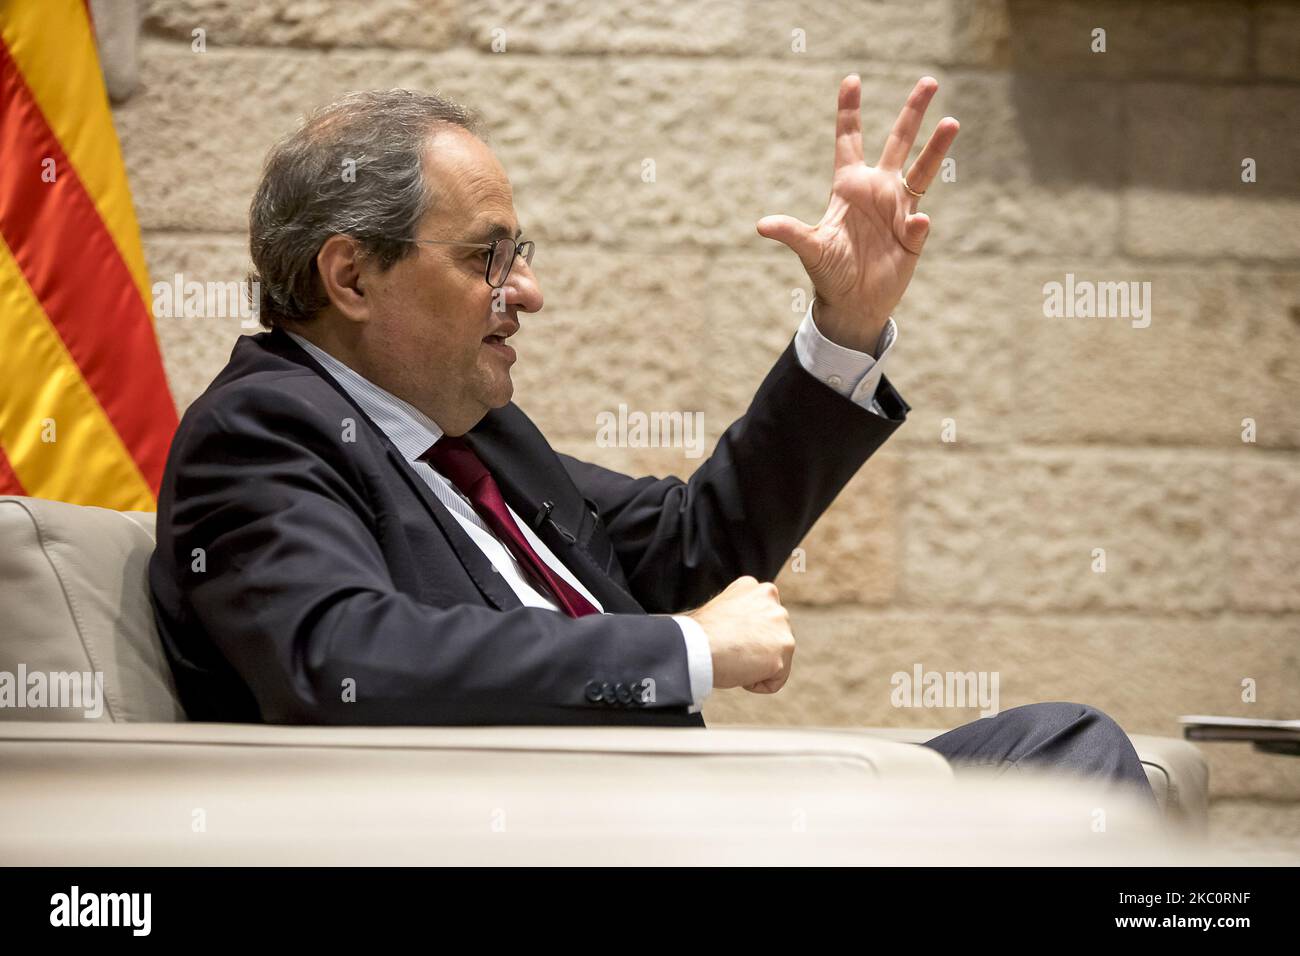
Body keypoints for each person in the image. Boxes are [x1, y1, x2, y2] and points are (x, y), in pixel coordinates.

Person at [148, 74, 1154, 803]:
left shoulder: (477, 433)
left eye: (521, 255)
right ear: (350, 277)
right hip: (560, 842)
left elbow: (690, 539)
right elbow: (345, 658)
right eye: (486, 258)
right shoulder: (259, 434)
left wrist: (842, 329)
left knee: (1058, 757)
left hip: (683, 815)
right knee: (1066, 764)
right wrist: (684, 647)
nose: (527, 292)